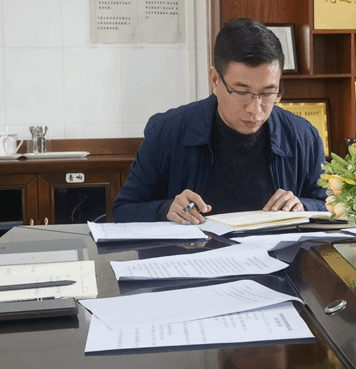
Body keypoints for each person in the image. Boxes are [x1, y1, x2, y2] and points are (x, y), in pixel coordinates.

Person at [113, 18, 327, 225]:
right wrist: (166, 209)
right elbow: (124, 210)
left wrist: (303, 206)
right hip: (193, 250)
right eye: (242, 92)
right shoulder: (167, 131)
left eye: (268, 93)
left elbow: (331, 205)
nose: (255, 109)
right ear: (215, 80)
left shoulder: (302, 136)